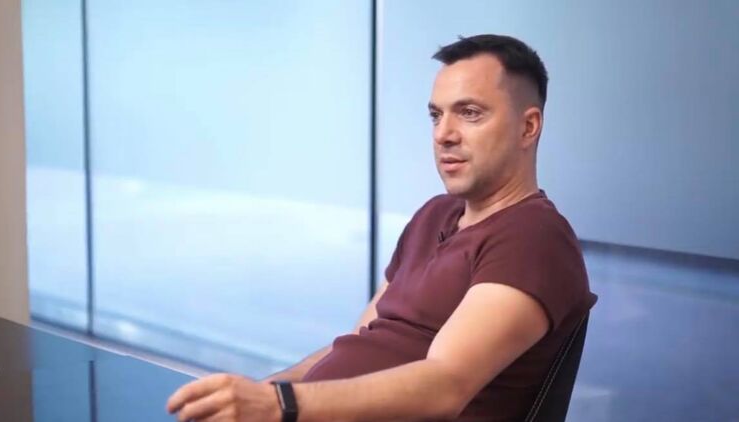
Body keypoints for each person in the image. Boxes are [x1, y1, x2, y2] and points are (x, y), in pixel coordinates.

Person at [166, 34, 597, 422]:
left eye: (469, 113)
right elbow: (356, 342)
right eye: (436, 116)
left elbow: (445, 384)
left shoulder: (533, 237)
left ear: (528, 127)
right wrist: (260, 395)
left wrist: (278, 406)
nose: (443, 134)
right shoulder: (434, 215)